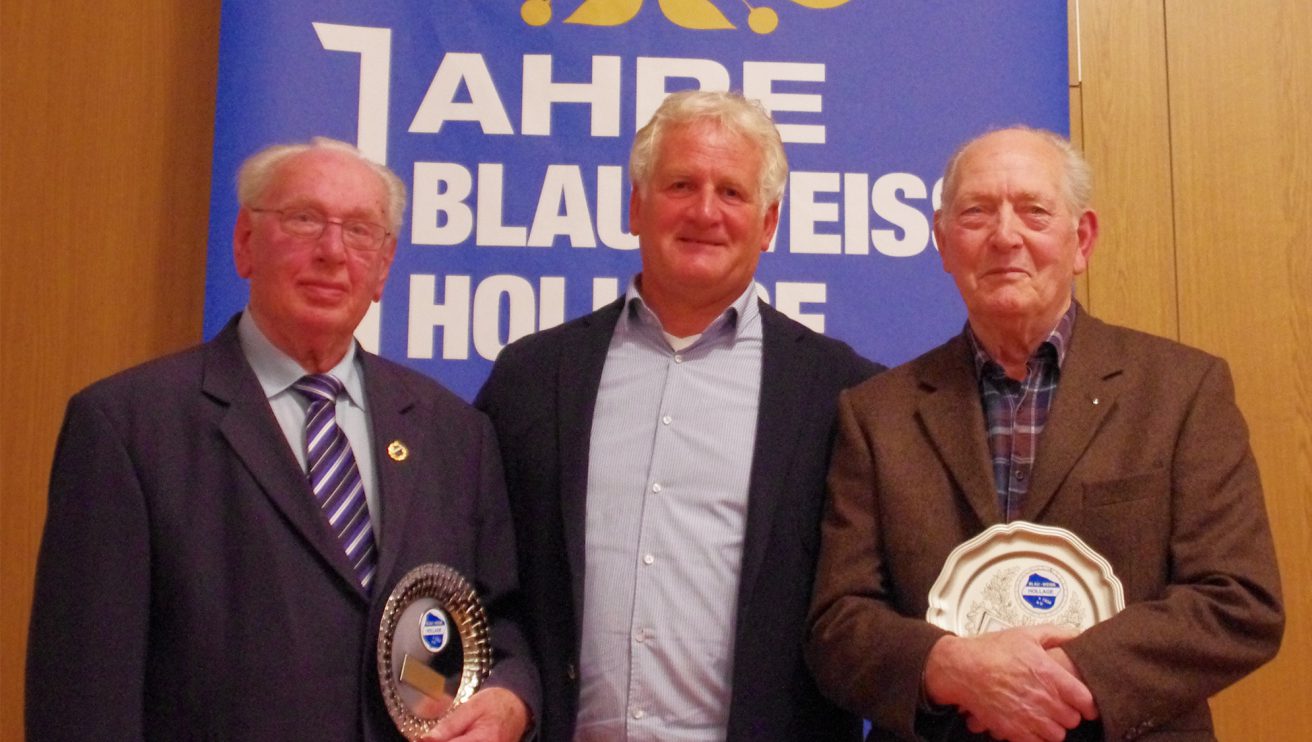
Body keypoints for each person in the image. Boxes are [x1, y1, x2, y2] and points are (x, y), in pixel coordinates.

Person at [26, 137, 538, 741]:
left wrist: (511, 699)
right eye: (304, 220)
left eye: (359, 231)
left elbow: (500, 621)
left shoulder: (455, 433)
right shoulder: (127, 428)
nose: (332, 252)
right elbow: (84, 695)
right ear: (245, 243)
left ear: (384, 267)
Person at [806, 126, 1285, 741]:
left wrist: (1059, 676)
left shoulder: (1183, 392)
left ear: (1081, 239)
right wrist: (949, 668)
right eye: (976, 212)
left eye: (1034, 211)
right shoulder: (876, 414)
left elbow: (1240, 601)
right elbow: (836, 625)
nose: (1006, 236)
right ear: (943, 241)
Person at [475, 90, 879, 741]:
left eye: (732, 192)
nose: (704, 211)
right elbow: (483, 587)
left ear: (769, 222)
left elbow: (868, 615)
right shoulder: (529, 380)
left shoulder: (844, 396)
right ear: (636, 206)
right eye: (681, 184)